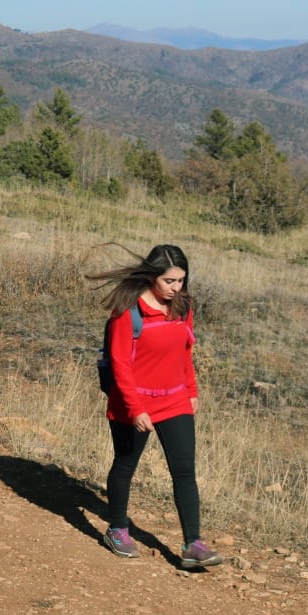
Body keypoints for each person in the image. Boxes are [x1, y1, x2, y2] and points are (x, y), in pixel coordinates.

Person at [87, 244, 222, 570]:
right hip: (133, 403)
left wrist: (191, 390)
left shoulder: (183, 306)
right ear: (152, 276)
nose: (176, 288)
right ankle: (117, 528)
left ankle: (193, 544)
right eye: (169, 281)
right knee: (125, 465)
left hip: (174, 399)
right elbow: (120, 364)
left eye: (181, 281)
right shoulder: (127, 311)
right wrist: (135, 409)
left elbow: (184, 351)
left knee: (184, 471)